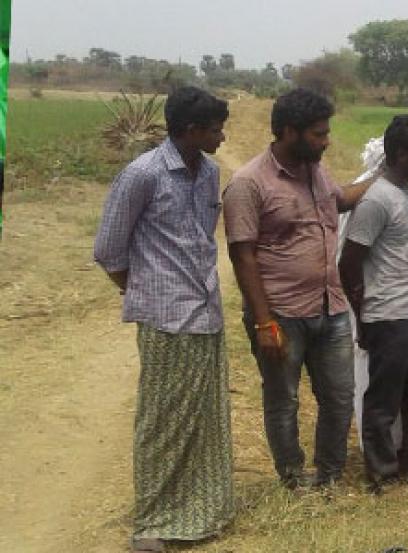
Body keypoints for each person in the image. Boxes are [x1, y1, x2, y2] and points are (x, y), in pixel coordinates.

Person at [93, 86, 234, 553]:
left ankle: (202, 509)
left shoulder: (209, 173)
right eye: (214, 129)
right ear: (190, 130)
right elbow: (109, 250)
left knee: (203, 420)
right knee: (161, 423)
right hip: (166, 320)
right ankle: (152, 522)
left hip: (206, 313)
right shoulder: (142, 175)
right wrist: (149, 291)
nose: (221, 136)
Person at [223, 88, 372, 489]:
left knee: (340, 398)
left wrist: (386, 174)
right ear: (289, 131)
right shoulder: (248, 183)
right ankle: (292, 477)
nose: (326, 141)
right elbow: (243, 256)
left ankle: (329, 474)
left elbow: (341, 200)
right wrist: (263, 322)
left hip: (331, 307)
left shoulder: (316, 169)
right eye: (319, 134)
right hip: (282, 315)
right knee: (283, 401)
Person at [338, 115, 408, 491]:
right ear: (400, 154)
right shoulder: (376, 199)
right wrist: (363, 314)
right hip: (390, 316)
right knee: (384, 400)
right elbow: (349, 262)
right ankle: (381, 472)